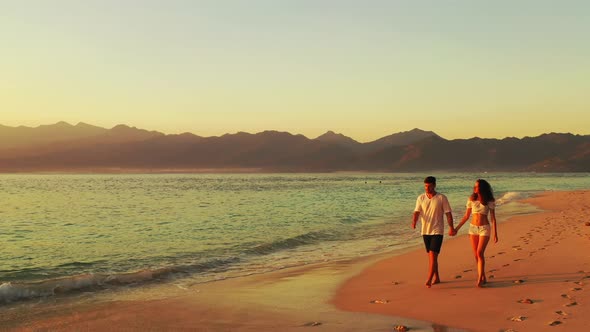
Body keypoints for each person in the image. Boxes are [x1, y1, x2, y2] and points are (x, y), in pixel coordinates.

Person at [412, 176, 456, 288]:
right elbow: (417, 212)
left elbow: (448, 214)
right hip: (425, 231)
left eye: (429, 186)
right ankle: (437, 277)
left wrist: (451, 227)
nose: (427, 188)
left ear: (434, 185)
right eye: (425, 186)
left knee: (432, 256)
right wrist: (414, 221)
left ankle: (429, 278)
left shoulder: (442, 198)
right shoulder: (420, 198)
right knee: (432, 257)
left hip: (437, 231)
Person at [455, 179, 499, 287]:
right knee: (476, 255)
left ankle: (479, 279)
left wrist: (495, 234)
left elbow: (493, 218)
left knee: (479, 253)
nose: (474, 188)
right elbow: (466, 216)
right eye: (474, 186)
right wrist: (456, 229)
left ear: (482, 188)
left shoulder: (490, 200)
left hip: (484, 228)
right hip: (473, 229)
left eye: (477, 187)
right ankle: (483, 275)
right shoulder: (471, 199)